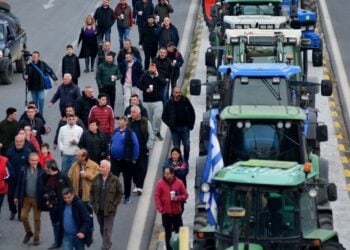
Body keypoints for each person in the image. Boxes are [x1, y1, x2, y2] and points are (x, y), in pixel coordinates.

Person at [15, 152, 46, 246]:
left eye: (36, 160)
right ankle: (29, 232)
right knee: (23, 216)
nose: (34, 162)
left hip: (37, 198)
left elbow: (45, 186)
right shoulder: (23, 170)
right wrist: (16, 196)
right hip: (26, 198)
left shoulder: (42, 171)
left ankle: (36, 238)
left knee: (37, 219)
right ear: (28, 160)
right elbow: (19, 184)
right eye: (32, 160)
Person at [90, 160, 123, 250]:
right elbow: (92, 192)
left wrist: (114, 204)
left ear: (108, 169)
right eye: (100, 166)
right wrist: (93, 203)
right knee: (102, 228)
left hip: (109, 210)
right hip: (99, 209)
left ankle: (105, 247)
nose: (100, 168)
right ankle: (107, 242)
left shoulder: (115, 180)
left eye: (103, 167)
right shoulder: (96, 179)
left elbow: (119, 193)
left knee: (106, 229)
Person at [154, 167, 188, 250]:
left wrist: (178, 198)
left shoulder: (179, 183)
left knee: (180, 232)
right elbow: (157, 196)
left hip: (177, 213)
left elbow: (185, 195)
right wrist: (160, 208)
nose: (165, 175)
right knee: (168, 233)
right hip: (166, 213)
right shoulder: (160, 183)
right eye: (165, 173)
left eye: (167, 174)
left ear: (172, 174)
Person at [110, 116, 139, 203]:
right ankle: (115, 196)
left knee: (127, 178)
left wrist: (134, 158)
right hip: (115, 160)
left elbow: (136, 145)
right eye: (119, 121)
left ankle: (127, 196)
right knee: (113, 178)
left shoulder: (130, 133)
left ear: (126, 122)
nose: (119, 122)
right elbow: (111, 142)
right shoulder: (115, 131)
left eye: (121, 121)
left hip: (126, 159)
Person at [43, 160, 71, 249]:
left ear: (50, 168)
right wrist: (47, 202)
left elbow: (70, 189)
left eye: (46, 167)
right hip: (52, 206)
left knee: (64, 224)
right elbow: (43, 190)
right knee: (55, 224)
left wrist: (69, 202)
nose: (45, 168)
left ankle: (65, 242)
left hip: (62, 204)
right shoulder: (46, 177)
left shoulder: (63, 176)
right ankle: (57, 242)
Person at [162, 87, 195, 162]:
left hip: (185, 128)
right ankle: (178, 162)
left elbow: (192, 112)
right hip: (175, 129)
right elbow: (164, 117)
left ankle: (185, 161)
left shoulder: (185, 100)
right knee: (176, 148)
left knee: (187, 146)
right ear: (173, 93)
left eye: (179, 92)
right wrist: (170, 124)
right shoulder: (168, 103)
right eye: (176, 93)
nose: (178, 94)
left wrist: (191, 125)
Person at [128, 106, 154, 195]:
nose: (132, 114)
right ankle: (136, 183)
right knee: (133, 169)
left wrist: (148, 147)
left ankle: (140, 187)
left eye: (133, 112)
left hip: (143, 149)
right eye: (131, 112)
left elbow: (151, 135)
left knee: (142, 168)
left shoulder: (146, 122)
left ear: (138, 113)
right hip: (132, 150)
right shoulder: (129, 122)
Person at [6, 135, 31, 220]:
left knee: (22, 197)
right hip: (12, 178)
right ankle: (13, 211)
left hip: (23, 179)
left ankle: (21, 214)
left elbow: (30, 165)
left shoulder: (28, 152)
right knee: (10, 197)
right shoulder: (9, 152)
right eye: (17, 141)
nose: (19, 143)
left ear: (23, 142)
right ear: (14, 141)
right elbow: (6, 165)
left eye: (21, 141)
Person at [138, 63, 165, 140]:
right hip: (147, 101)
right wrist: (145, 89)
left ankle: (156, 132)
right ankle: (150, 134)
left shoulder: (159, 74)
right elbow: (138, 84)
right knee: (148, 119)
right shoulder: (145, 75)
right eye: (150, 67)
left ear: (156, 68)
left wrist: (157, 76)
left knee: (157, 117)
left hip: (158, 100)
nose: (152, 68)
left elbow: (164, 83)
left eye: (153, 67)